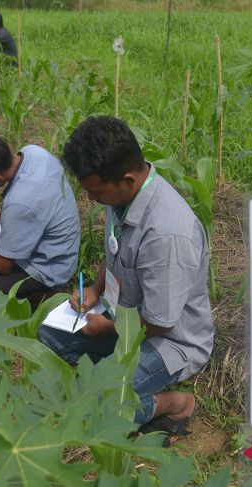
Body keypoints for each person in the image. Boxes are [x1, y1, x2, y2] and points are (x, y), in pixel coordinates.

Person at [38, 116, 214, 441]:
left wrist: (106, 328)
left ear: (127, 179)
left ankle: (177, 403)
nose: (91, 199)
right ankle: (115, 367)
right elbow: (116, 249)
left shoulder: (167, 234)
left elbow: (160, 323)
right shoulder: (119, 197)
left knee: (99, 407)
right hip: (123, 318)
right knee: (49, 335)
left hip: (169, 340)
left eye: (95, 192)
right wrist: (94, 289)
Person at [0, 132, 80, 304]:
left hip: (48, 269)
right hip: (58, 248)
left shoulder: (19, 203)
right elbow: (39, 205)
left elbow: (3, 266)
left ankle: (42, 296)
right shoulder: (33, 152)